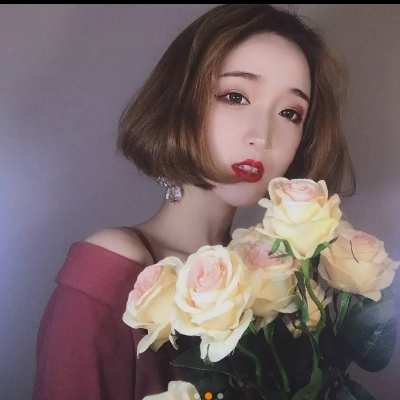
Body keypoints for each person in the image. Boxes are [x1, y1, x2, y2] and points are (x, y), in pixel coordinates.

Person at [32, 4, 356, 400]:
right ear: (182, 101)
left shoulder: (278, 283)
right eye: (235, 96)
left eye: (290, 112)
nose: (262, 135)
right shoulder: (114, 270)